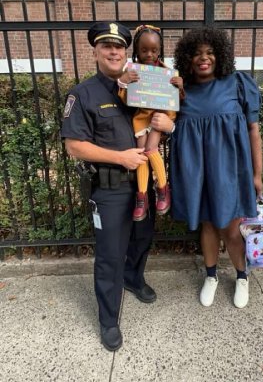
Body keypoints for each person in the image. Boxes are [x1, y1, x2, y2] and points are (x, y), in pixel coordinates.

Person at [60, 22, 173, 351]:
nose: (113, 52)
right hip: (109, 190)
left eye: (119, 47)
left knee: (143, 239)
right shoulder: (83, 94)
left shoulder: (147, 82)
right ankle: (108, 319)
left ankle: (134, 278)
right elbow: (74, 146)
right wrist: (119, 157)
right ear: (95, 51)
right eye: (106, 46)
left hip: (143, 187)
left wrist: (169, 126)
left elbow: (163, 118)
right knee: (110, 256)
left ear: (128, 52)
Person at [170, 27, 263, 309]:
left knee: (231, 229)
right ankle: (211, 276)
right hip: (197, 172)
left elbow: (253, 130)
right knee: (208, 226)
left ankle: (242, 276)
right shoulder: (179, 91)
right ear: (187, 57)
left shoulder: (237, 84)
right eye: (197, 53)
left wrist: (257, 174)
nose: (203, 58)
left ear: (219, 55)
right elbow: (161, 124)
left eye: (210, 52)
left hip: (232, 171)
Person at [116, 24, 184, 221]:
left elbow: (178, 99)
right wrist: (123, 81)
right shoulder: (132, 70)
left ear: (160, 50)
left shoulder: (167, 72)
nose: (149, 54)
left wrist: (180, 86)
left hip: (159, 115)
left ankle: (163, 188)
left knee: (150, 149)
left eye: (154, 50)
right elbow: (124, 98)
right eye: (144, 50)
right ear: (136, 50)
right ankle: (142, 195)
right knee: (141, 154)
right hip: (141, 116)